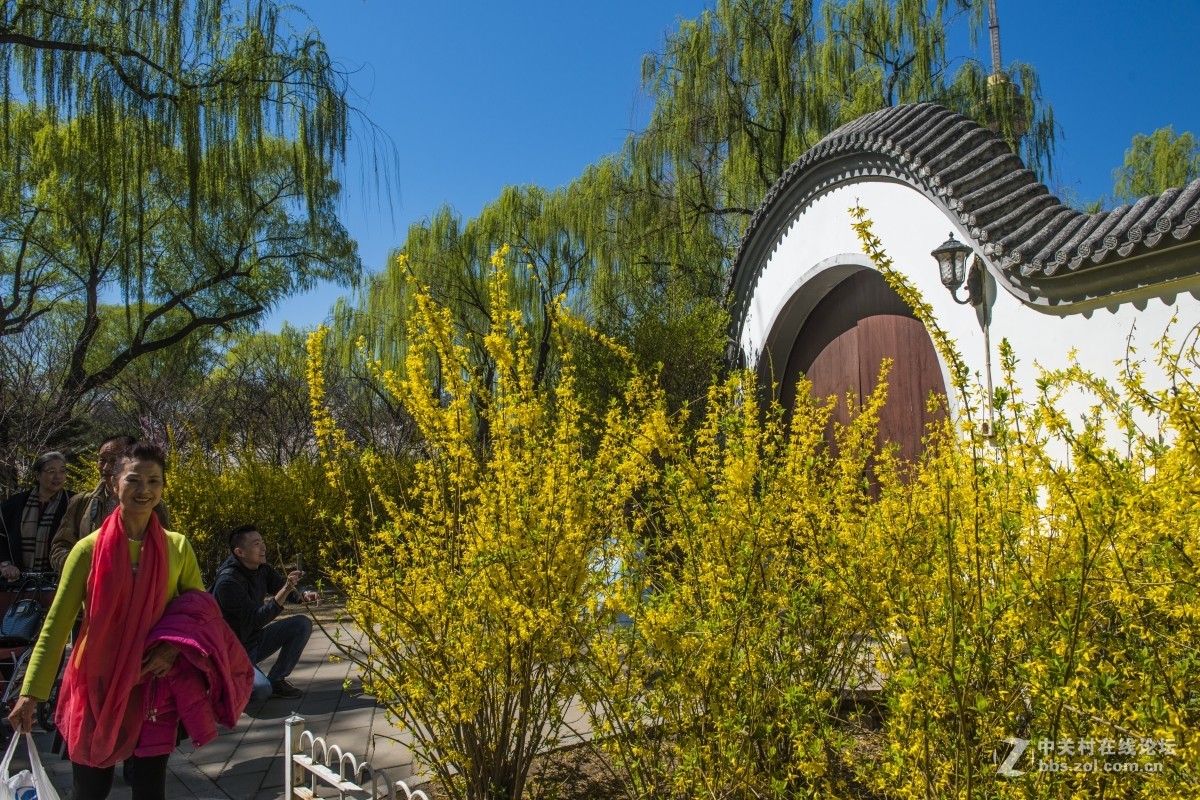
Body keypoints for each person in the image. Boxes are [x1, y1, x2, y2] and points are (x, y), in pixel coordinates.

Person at [8, 442, 206, 800]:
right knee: (90, 790)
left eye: (154, 481)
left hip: (152, 685)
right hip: (95, 683)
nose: (144, 490)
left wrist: (172, 653)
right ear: (115, 484)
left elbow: (196, 613)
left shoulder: (178, 547)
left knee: (150, 789)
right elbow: (55, 626)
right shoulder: (87, 550)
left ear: (163, 487)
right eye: (134, 480)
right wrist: (30, 692)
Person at [212, 525, 319, 701]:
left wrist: (304, 595)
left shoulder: (261, 569)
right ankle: (225, 680)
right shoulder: (228, 583)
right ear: (240, 552)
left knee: (301, 624)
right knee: (261, 691)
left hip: (253, 642)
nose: (263, 547)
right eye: (256, 544)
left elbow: (283, 587)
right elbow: (256, 620)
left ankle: (277, 680)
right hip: (231, 652)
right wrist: (284, 591)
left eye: (262, 542)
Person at [50, 434, 169, 575]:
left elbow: (165, 549)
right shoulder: (82, 502)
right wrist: (87, 568)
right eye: (102, 460)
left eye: (113, 460)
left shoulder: (152, 503)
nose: (105, 467)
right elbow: (59, 548)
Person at [0, 451, 73, 581]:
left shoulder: (73, 502)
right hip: (16, 581)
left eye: (62, 471)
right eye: (51, 471)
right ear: (37, 475)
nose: (58, 476)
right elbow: (1, 538)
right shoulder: (15, 504)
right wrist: (6, 564)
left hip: (58, 581)